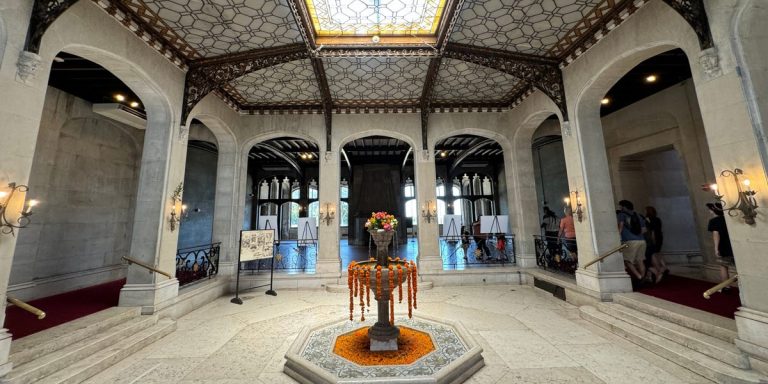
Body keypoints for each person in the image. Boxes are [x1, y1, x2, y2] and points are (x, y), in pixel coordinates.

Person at [617, 200, 648, 283]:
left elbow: (620, 227)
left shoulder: (621, 215)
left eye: (620, 206)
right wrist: (636, 234)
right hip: (641, 241)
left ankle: (639, 277)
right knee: (640, 260)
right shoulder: (638, 215)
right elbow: (644, 230)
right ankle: (643, 277)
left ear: (623, 207)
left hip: (629, 241)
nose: (619, 208)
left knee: (627, 260)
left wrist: (618, 237)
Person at [707, 203, 735, 291]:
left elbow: (716, 234)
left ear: (713, 210)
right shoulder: (728, 219)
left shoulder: (714, 221)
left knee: (723, 266)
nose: (709, 211)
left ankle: (726, 286)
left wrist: (716, 248)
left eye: (710, 209)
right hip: (733, 244)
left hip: (723, 245)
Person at [644, 206, 666, 283]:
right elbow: (659, 230)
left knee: (651, 256)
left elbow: (652, 232)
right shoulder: (658, 219)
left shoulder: (648, 219)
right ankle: (651, 275)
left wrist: (653, 241)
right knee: (657, 253)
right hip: (660, 237)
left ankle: (658, 271)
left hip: (653, 239)